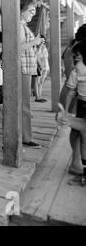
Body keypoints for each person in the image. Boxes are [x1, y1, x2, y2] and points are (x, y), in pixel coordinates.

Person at [59, 25, 86, 176]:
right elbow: (72, 76)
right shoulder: (77, 52)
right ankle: (76, 163)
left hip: (76, 94)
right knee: (78, 130)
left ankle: (77, 162)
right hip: (76, 94)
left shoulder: (73, 49)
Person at [20, 0, 44, 149]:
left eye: (34, 11)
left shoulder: (23, 25)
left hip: (26, 69)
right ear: (21, 10)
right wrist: (34, 42)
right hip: (22, 69)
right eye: (30, 10)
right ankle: (26, 138)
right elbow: (16, 47)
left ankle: (24, 136)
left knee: (24, 105)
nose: (33, 14)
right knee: (24, 106)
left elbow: (26, 47)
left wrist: (37, 45)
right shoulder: (20, 26)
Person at [34, 36, 50, 102]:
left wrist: (47, 68)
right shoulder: (35, 47)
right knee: (37, 82)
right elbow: (36, 56)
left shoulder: (45, 48)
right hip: (38, 66)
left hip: (45, 66)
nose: (42, 42)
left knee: (41, 82)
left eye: (43, 41)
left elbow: (46, 58)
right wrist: (39, 47)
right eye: (41, 41)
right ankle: (37, 97)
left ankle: (40, 96)